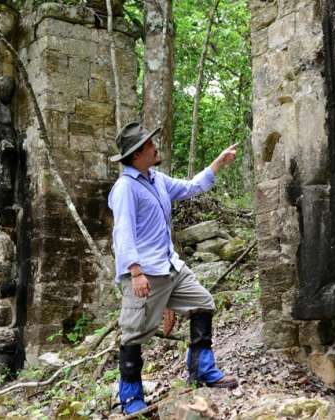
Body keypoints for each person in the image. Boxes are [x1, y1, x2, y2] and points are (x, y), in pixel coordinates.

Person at [108, 121, 238, 414]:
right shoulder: (125, 188)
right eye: (151, 145)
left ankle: (201, 370)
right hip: (145, 272)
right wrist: (136, 272)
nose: (156, 147)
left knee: (202, 302)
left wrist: (217, 164)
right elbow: (123, 232)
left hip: (170, 267)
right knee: (133, 334)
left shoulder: (157, 179)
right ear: (139, 152)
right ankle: (131, 400)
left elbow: (191, 186)